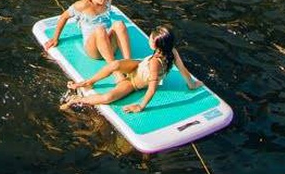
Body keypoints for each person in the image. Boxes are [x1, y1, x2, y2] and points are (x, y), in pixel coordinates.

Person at [62, 25, 203, 114]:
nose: (148, 39)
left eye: (150, 38)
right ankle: (90, 81)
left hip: (133, 82)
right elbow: (183, 69)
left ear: (156, 44)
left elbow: (152, 89)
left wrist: (140, 106)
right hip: (138, 65)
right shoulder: (171, 50)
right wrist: (191, 84)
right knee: (115, 65)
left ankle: (76, 99)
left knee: (107, 98)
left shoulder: (155, 63)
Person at [46, 0, 134, 65]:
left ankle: (128, 63)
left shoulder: (108, 1)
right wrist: (55, 38)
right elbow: (63, 17)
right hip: (94, 50)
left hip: (110, 45)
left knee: (119, 24)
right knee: (100, 30)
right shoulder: (82, 6)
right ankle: (114, 68)